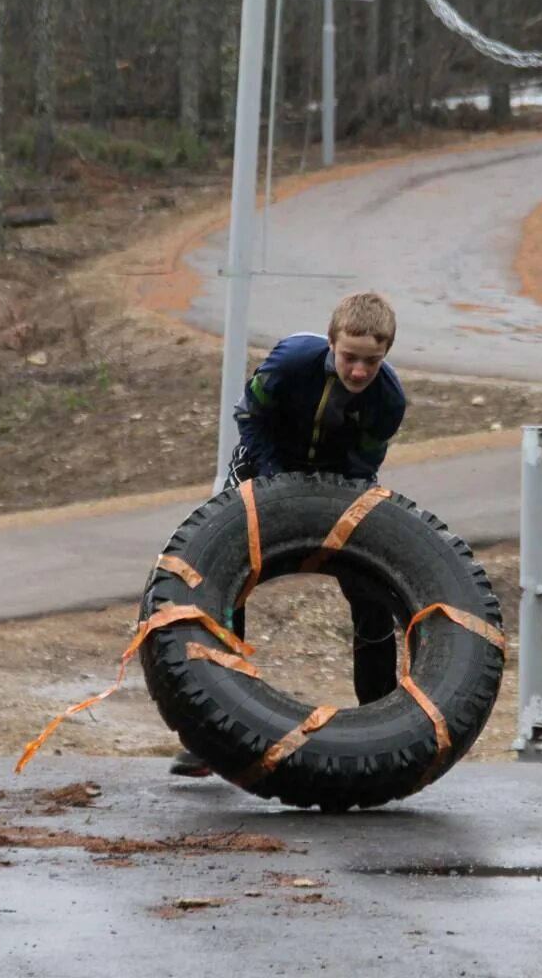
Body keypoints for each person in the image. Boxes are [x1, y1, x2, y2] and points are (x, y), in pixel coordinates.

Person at [170, 291, 407, 777]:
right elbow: (250, 416)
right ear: (330, 343)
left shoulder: (389, 399)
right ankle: (213, 733)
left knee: (372, 593)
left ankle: (382, 727)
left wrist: (324, 502)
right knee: (227, 589)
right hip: (263, 471)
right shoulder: (291, 360)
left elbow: (363, 465)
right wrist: (277, 482)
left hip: (339, 484)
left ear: (385, 356)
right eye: (349, 358)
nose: (359, 371)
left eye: (372, 361)